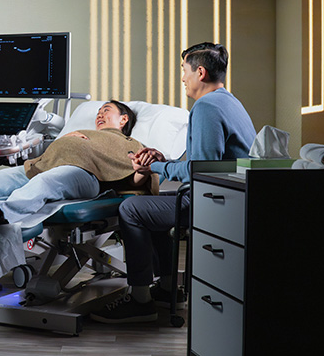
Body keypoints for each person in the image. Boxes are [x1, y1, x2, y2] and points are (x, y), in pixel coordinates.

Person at [91, 43, 255, 324]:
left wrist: (152, 167)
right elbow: (204, 160)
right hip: (231, 197)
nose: (182, 78)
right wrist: (163, 159)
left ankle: (140, 300)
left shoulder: (206, 106)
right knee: (148, 205)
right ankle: (168, 288)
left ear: (200, 72)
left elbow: (200, 169)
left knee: (131, 209)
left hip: (214, 201)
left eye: (184, 70)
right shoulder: (230, 102)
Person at [0, 101, 156, 227]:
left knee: (47, 182)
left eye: (106, 110)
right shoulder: (82, 132)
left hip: (86, 177)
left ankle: (1, 213)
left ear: (123, 119)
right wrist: (67, 139)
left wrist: (142, 171)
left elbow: (134, 180)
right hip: (47, 164)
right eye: (98, 110)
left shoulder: (131, 143)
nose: (100, 113)